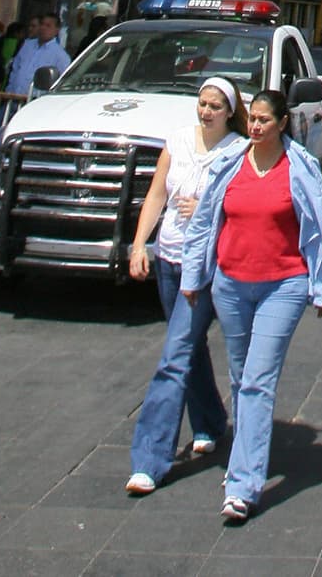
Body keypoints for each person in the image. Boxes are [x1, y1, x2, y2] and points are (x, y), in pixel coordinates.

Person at [180, 89, 322, 524]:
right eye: (253, 119)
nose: (256, 126)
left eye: (266, 120)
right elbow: (207, 219)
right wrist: (195, 276)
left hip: (282, 286)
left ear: (282, 123)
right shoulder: (230, 163)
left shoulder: (299, 166)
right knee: (240, 375)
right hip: (231, 285)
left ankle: (243, 485)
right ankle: (244, 461)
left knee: (257, 381)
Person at [125, 78, 249, 494]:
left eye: (215, 105)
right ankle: (211, 420)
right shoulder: (177, 141)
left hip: (204, 266)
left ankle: (150, 458)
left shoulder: (237, 151)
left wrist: (208, 207)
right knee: (188, 345)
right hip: (169, 258)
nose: (206, 111)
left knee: (174, 354)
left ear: (229, 111)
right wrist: (140, 244)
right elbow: (157, 196)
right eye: (202, 103)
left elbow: (244, 209)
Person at [5, 9, 69, 94]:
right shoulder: (27, 45)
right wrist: (9, 90)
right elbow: (15, 69)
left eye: (48, 26)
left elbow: (62, 83)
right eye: (42, 24)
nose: (43, 28)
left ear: (56, 30)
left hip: (36, 100)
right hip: (13, 97)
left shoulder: (60, 56)